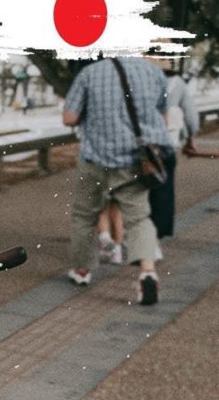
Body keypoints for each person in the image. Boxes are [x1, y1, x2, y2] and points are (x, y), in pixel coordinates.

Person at [63, 56, 167, 305]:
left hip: (95, 159)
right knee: (139, 217)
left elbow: (69, 118)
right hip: (135, 161)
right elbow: (161, 118)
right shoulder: (154, 73)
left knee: (84, 215)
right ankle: (148, 272)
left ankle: (82, 271)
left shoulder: (89, 74)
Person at [148, 63, 200, 250]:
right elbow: (191, 114)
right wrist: (191, 138)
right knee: (163, 188)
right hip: (165, 144)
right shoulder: (176, 82)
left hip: (139, 143)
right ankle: (154, 240)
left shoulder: (139, 76)